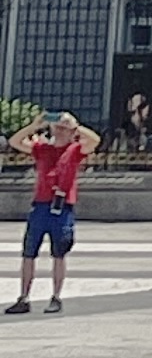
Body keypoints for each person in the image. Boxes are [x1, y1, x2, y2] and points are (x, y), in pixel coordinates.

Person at [5, 114, 99, 316]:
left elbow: (94, 140)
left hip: (62, 207)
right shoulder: (42, 149)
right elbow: (15, 142)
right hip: (41, 205)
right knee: (29, 252)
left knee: (59, 253)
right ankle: (24, 297)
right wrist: (34, 125)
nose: (60, 131)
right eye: (57, 127)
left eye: (64, 128)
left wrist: (75, 126)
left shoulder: (75, 150)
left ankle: (56, 297)